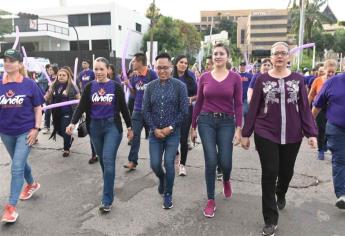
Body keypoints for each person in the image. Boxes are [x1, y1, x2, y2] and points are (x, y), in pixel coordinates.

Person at [241, 42, 318, 236]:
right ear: (271, 57)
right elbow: (254, 107)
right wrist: (246, 133)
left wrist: (311, 134)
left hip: (292, 133)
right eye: (276, 54)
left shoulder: (298, 79)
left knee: (286, 172)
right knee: (269, 172)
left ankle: (281, 192)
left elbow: (304, 108)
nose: (280, 57)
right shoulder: (261, 79)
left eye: (283, 53)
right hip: (265, 131)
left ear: (288, 57)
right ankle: (270, 219)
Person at [66, 57, 133, 213]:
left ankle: (107, 199)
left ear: (108, 69)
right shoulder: (90, 87)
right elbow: (81, 107)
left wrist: (130, 127)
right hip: (94, 127)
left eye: (101, 69)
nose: (98, 72)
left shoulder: (115, 87)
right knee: (103, 160)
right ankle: (109, 181)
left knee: (108, 159)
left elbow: (123, 108)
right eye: (96, 69)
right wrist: (72, 123)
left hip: (112, 128)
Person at [191, 43, 243, 218]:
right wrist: (193, 126)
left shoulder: (235, 78)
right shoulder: (204, 77)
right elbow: (198, 102)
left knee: (226, 162)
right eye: (215, 54)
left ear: (227, 57)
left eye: (221, 53)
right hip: (206, 120)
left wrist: (239, 128)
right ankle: (211, 200)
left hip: (227, 122)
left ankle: (226, 179)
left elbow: (239, 104)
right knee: (211, 161)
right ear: (212, 57)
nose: (218, 56)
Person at [0, 49, 45, 223]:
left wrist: (36, 128)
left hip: (25, 132)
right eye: (6, 60)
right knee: (20, 162)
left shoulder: (29, 84)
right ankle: (32, 184)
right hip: (5, 132)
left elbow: (38, 107)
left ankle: (10, 208)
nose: (8, 63)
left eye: (12, 60)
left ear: (20, 64)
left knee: (17, 167)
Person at [142, 52, 189, 209]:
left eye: (165, 68)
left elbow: (184, 111)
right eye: (158, 68)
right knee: (155, 164)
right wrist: (154, 129)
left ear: (171, 67)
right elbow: (145, 110)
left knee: (169, 163)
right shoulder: (150, 87)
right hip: (155, 134)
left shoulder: (180, 87)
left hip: (172, 134)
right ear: (155, 68)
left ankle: (168, 193)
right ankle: (162, 179)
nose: (162, 71)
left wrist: (170, 128)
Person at [312, 72, 345, 210]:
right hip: (337, 129)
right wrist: (308, 125)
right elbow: (318, 104)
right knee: (340, 159)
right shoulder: (333, 82)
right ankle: (342, 194)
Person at [123, 52, 158, 170]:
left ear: (140, 62)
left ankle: (165, 157)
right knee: (134, 136)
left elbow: (158, 91)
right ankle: (132, 161)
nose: (132, 63)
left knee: (157, 135)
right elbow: (134, 94)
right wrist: (129, 85)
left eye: (133, 61)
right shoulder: (134, 76)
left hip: (151, 112)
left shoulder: (152, 75)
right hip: (137, 111)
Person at [45, 67, 80, 157]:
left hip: (68, 112)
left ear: (68, 77)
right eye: (59, 75)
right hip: (56, 113)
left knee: (65, 130)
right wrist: (49, 91)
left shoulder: (72, 86)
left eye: (63, 75)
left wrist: (79, 109)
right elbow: (46, 98)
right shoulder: (53, 85)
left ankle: (66, 149)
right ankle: (69, 139)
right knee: (58, 130)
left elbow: (79, 98)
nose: (61, 76)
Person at [173, 55, 197, 176]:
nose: (183, 64)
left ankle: (182, 164)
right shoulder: (170, 77)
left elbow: (198, 95)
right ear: (176, 63)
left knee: (183, 139)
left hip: (186, 111)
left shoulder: (190, 78)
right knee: (172, 137)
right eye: (181, 62)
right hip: (171, 112)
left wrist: (191, 98)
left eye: (186, 63)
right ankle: (174, 156)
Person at [308, 59, 337, 160]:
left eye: (333, 72)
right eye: (329, 71)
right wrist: (307, 108)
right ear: (324, 70)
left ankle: (325, 145)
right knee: (321, 129)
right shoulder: (318, 80)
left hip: (332, 108)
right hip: (319, 108)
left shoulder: (337, 80)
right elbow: (311, 94)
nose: (330, 74)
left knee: (330, 129)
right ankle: (321, 149)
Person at [78, 59, 97, 164]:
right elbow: (81, 83)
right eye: (82, 63)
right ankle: (94, 154)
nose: (83, 64)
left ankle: (101, 152)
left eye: (85, 63)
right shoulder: (81, 73)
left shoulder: (92, 73)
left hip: (94, 96)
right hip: (85, 97)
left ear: (88, 64)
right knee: (92, 131)